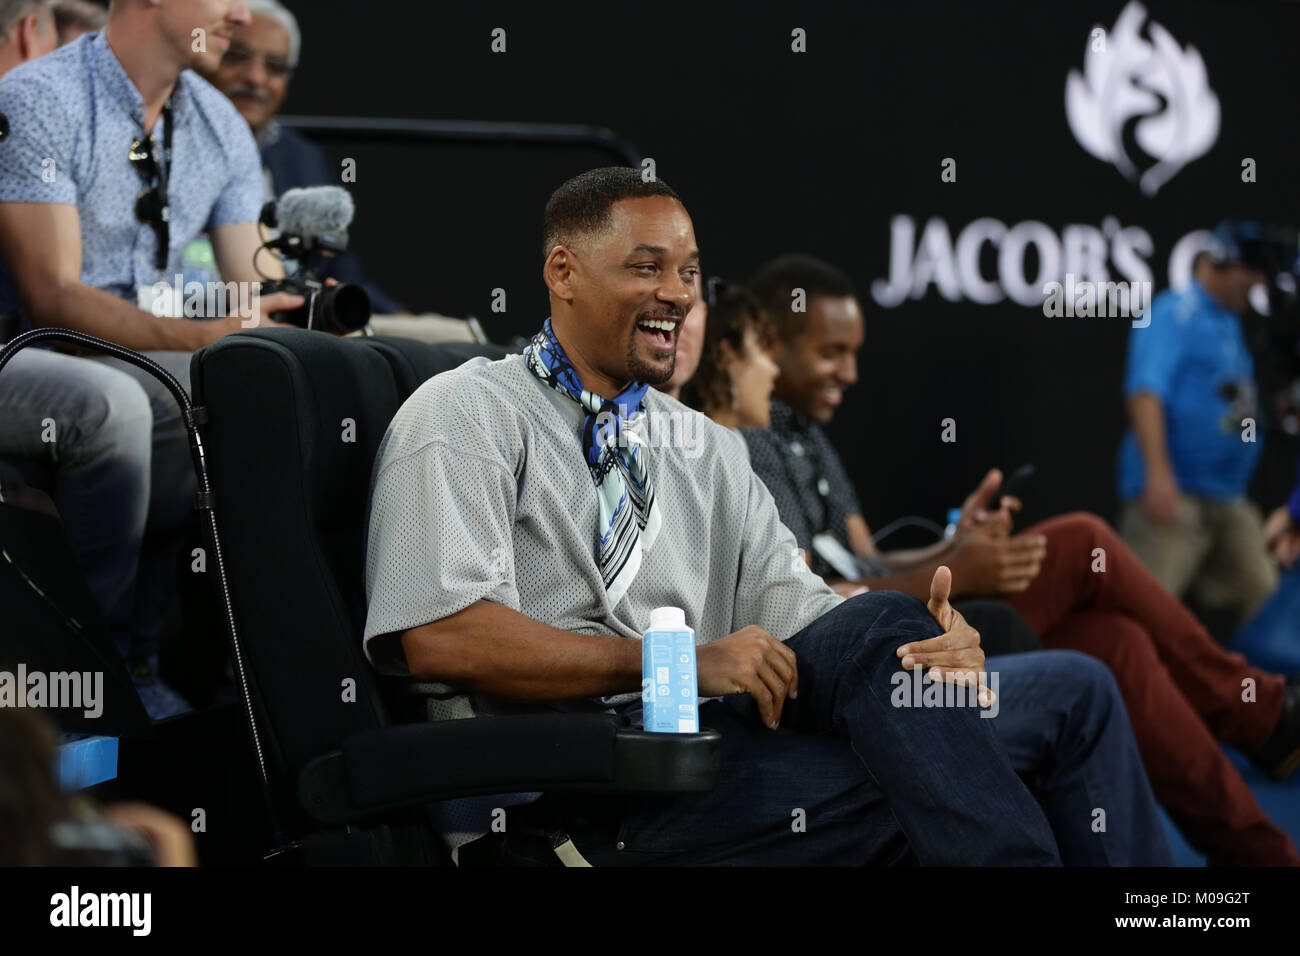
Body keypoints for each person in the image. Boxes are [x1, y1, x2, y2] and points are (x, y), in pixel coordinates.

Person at [363, 166, 1171, 866]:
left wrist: (922, 649)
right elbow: (444, 633)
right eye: (648, 268)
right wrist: (671, 664)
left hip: (717, 755)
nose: (677, 294)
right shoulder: (465, 413)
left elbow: (807, 619)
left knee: (1069, 691)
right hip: (573, 795)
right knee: (929, 779)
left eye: (688, 272)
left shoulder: (707, 447)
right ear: (563, 271)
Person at [742, 252, 1300, 865]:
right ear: (765, 341)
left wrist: (958, 544)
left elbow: (865, 560)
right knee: (1085, 541)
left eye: (853, 354)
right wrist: (953, 571)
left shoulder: (808, 435)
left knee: (1115, 644)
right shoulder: (740, 442)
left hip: (906, 622)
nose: (848, 372)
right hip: (877, 659)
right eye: (831, 353)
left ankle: (1261, 855)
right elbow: (807, 603)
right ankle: (1260, 713)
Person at [0, 0, 304, 716]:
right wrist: (204, 336)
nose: (238, 12)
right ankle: (79, 672)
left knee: (268, 388)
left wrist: (294, 330)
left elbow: (250, 284)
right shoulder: (37, 97)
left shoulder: (218, 121)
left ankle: (254, 688)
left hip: (146, 350)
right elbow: (54, 298)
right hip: (22, 348)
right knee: (121, 403)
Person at [1118, 221, 1279, 622]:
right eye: (1249, 275)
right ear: (1220, 264)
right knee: (1146, 610)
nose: (1255, 286)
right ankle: (1120, 684)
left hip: (1226, 497)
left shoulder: (1227, 322)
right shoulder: (1173, 313)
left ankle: (1258, 686)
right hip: (1176, 495)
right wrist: (1158, 474)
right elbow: (1144, 392)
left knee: (1267, 601)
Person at [198, 0, 403, 313]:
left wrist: (402, 322)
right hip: (196, 318)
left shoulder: (302, 157)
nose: (255, 78)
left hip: (292, 326)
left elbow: (337, 269)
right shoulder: (172, 140)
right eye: (237, 57)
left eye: (275, 67)